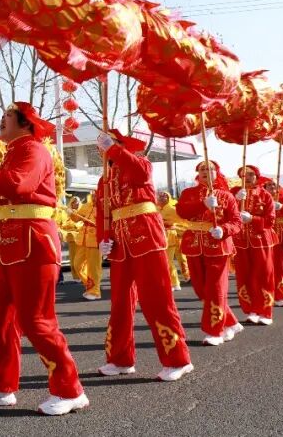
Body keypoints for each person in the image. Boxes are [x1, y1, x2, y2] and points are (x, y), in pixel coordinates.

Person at [0, 102, 88, 416]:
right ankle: (0, 385)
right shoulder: (11, 154)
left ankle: (70, 389)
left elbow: (18, 185)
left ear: (27, 124)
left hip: (33, 244)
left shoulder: (34, 150)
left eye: (8, 116)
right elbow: (7, 199)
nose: (1, 120)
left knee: (36, 321)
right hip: (7, 248)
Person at [94, 128, 193, 382]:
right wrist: (102, 240)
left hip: (146, 236)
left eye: (107, 143)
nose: (101, 147)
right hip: (120, 242)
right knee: (120, 302)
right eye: (100, 144)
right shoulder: (103, 180)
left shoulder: (139, 163)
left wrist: (115, 148)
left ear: (121, 146)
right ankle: (120, 359)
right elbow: (102, 214)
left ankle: (178, 359)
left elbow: (141, 172)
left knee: (157, 298)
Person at [176, 161, 244, 346]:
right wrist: (202, 205)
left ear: (217, 173)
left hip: (217, 245)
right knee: (201, 289)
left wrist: (224, 229)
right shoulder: (188, 193)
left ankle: (215, 330)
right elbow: (181, 212)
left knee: (215, 288)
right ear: (197, 173)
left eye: (210, 169)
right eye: (202, 169)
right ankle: (230, 322)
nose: (206, 172)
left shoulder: (226, 196)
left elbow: (237, 222)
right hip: (193, 244)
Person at [230, 166, 276, 325]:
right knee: (243, 275)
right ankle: (251, 309)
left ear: (257, 176)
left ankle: (265, 311)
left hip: (261, 240)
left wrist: (253, 219)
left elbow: (270, 221)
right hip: (240, 241)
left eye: (250, 174)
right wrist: (235, 200)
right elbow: (225, 215)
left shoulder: (265, 195)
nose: (247, 177)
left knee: (263, 274)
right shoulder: (234, 194)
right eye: (243, 175)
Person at [67, 194, 102, 300]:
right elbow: (76, 218)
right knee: (77, 264)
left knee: (94, 268)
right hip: (83, 240)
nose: (95, 195)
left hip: (96, 240)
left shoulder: (105, 206)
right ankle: (91, 285)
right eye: (94, 193)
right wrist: (74, 208)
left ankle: (95, 291)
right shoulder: (86, 206)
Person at [157, 191, 190, 291]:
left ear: (168, 198)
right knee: (166, 261)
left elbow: (183, 221)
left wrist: (171, 224)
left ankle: (182, 278)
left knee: (180, 259)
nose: (162, 198)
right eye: (160, 196)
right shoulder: (156, 209)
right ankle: (173, 282)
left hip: (172, 236)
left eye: (165, 196)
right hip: (161, 237)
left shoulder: (172, 209)